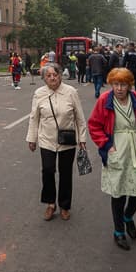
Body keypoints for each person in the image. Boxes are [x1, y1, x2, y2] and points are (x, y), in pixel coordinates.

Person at [87, 67, 136, 251]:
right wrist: (106, 145)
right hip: (117, 148)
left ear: (129, 85)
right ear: (111, 84)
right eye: (116, 84)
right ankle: (118, 231)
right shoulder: (105, 99)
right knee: (118, 191)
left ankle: (128, 216)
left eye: (123, 84)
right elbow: (94, 125)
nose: (119, 88)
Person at [26, 62, 88, 221]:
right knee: (47, 170)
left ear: (60, 75)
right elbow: (34, 118)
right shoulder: (39, 93)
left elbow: (80, 118)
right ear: (44, 78)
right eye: (49, 75)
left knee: (66, 172)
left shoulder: (70, 92)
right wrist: (31, 139)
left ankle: (65, 206)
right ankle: (50, 203)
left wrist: (82, 139)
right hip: (46, 139)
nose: (53, 78)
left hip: (67, 139)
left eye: (55, 74)